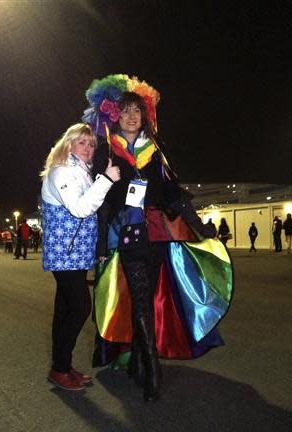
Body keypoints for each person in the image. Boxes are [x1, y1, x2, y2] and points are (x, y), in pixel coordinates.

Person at [84, 74, 233, 402]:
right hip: (129, 237)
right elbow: (104, 205)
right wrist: (98, 248)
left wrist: (203, 228)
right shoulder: (109, 153)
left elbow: (172, 193)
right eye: (124, 112)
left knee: (148, 299)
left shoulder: (156, 150)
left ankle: (139, 355)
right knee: (139, 299)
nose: (131, 117)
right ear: (115, 117)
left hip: (159, 237)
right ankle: (153, 366)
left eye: (136, 111)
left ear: (145, 114)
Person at [41, 123, 120, 391]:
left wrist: (96, 251)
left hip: (74, 254)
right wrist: (107, 180)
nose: (88, 149)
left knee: (64, 310)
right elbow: (80, 209)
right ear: (69, 144)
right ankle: (59, 368)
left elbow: (94, 216)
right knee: (79, 308)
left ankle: (61, 366)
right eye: (82, 143)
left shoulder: (81, 172)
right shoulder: (62, 171)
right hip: (64, 254)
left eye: (91, 144)